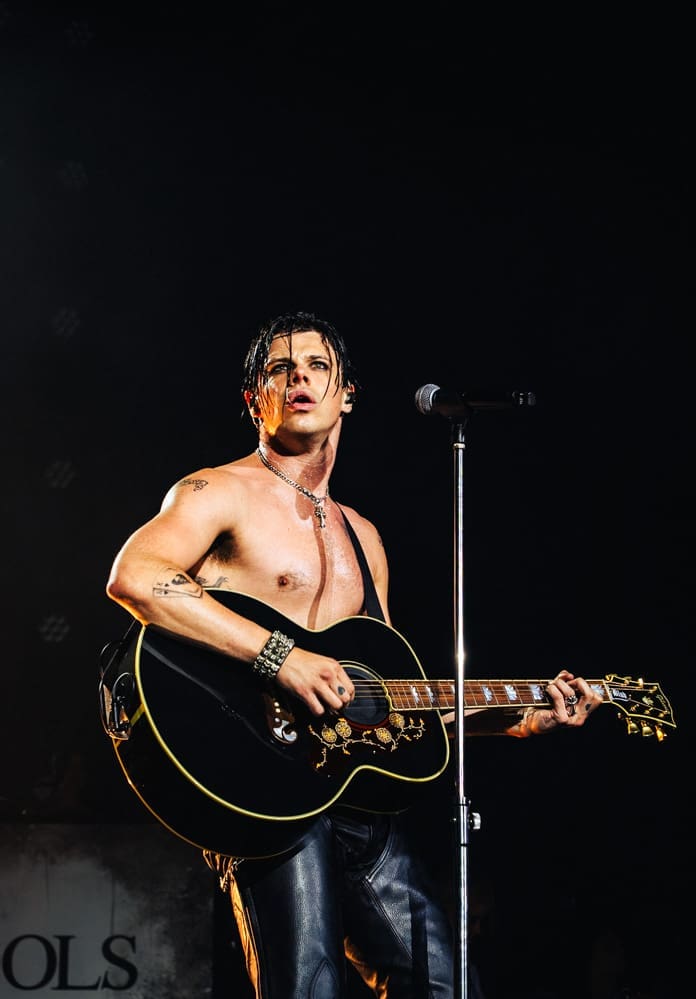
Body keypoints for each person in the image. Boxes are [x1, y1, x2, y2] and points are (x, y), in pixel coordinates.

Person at [105, 311, 603, 998]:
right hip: (262, 782)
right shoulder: (218, 491)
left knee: (443, 984)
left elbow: (386, 704)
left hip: (353, 793)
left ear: (346, 396)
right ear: (254, 399)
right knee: (307, 985)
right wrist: (281, 656)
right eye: (279, 369)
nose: (299, 378)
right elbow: (136, 576)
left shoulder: (364, 537)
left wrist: (518, 719)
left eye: (317, 366)